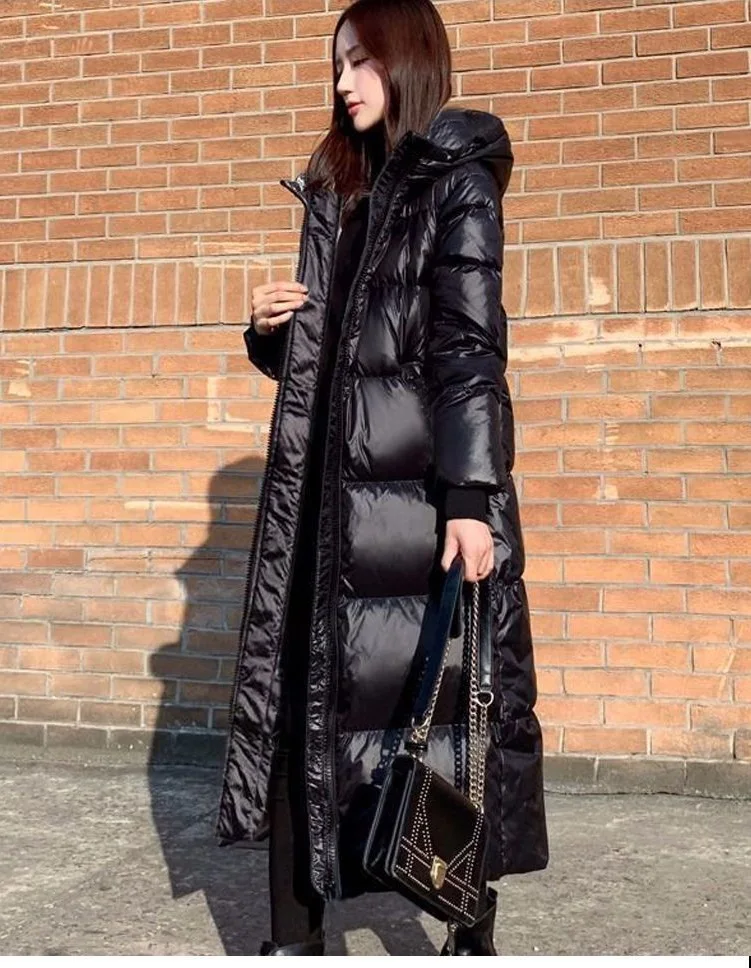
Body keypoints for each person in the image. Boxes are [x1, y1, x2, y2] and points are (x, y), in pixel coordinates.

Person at [215, 0, 549, 955]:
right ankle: (294, 938)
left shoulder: (456, 183)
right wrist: (270, 336)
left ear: (406, 60)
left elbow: (466, 350)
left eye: (359, 61)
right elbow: (340, 366)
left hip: (418, 503)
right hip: (319, 509)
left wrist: (472, 501)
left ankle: (467, 924)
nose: (342, 83)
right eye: (336, 65)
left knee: (443, 717)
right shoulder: (339, 189)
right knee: (299, 710)